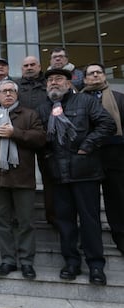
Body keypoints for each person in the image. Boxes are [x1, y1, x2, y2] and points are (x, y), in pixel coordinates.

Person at [37, 68, 116, 286]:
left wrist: (87, 145)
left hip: (85, 173)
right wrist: (47, 155)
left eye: (58, 79)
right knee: (65, 222)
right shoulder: (43, 108)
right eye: (50, 80)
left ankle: (96, 266)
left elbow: (107, 124)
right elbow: (39, 137)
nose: (54, 83)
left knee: (90, 221)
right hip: (58, 175)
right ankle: (71, 262)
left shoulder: (85, 101)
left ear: (69, 82)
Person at [0, 80, 46, 279]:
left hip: (23, 178)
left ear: (17, 94)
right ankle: (7, 260)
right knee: (1, 221)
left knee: (26, 222)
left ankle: (26, 261)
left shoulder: (29, 114)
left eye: (11, 91)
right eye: (3, 91)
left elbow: (40, 138)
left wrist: (16, 133)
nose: (7, 94)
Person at [81, 63, 124, 255]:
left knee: (117, 199)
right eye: (91, 73)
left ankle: (121, 237)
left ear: (104, 76)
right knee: (88, 203)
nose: (96, 75)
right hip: (88, 156)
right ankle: (90, 240)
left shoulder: (118, 98)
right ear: (85, 79)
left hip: (114, 156)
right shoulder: (78, 99)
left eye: (99, 72)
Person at [16, 56, 55, 225]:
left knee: (50, 179)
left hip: (46, 137)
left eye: (33, 65)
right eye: (26, 65)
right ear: (21, 68)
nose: (29, 67)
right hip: (21, 137)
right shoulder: (15, 86)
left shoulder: (49, 84)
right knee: (20, 179)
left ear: (40, 66)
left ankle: (53, 217)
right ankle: (20, 216)